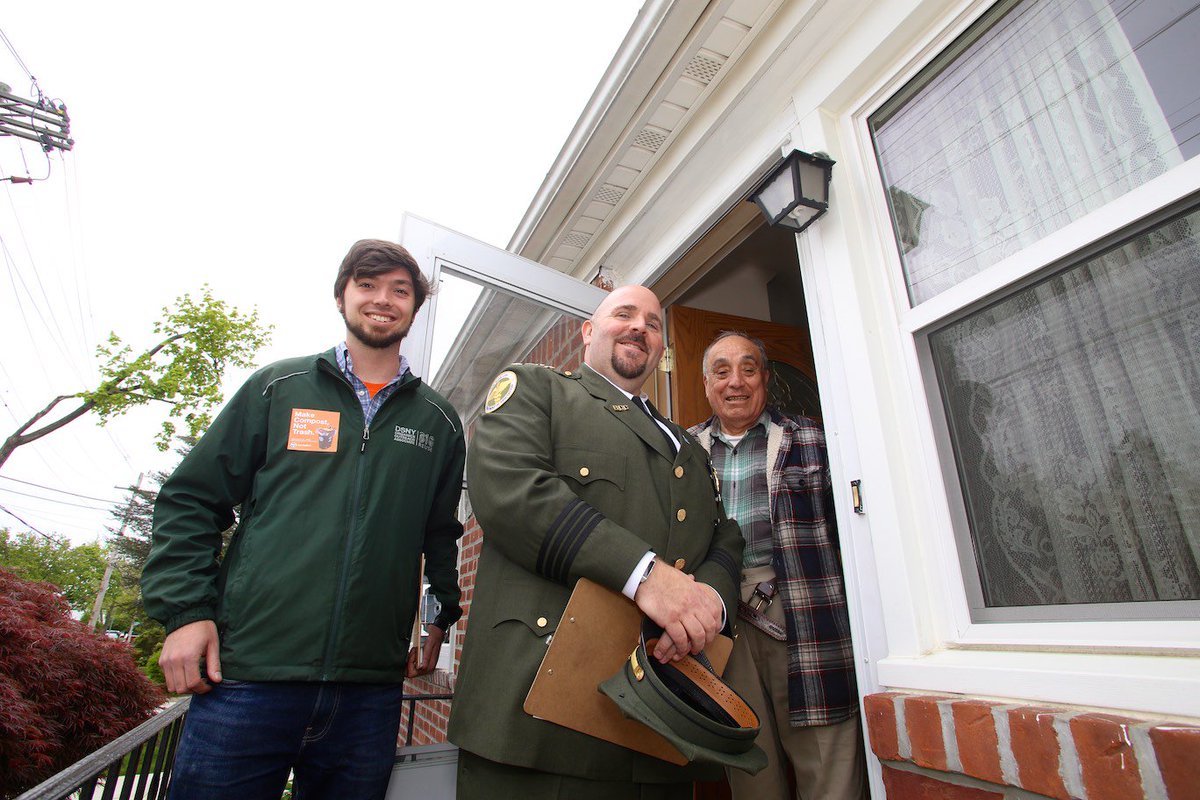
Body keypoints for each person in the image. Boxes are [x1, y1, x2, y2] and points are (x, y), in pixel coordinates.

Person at [141, 239, 467, 800]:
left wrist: (440, 619)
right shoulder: (278, 388)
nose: (382, 300)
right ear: (341, 296)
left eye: (400, 290)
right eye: (367, 285)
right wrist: (185, 614)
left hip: (368, 693)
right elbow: (192, 499)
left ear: (415, 307)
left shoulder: (438, 421)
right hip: (247, 679)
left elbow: (441, 535)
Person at [449, 284, 745, 800]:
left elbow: (726, 535)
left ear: (661, 348)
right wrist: (646, 576)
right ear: (588, 332)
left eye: (653, 323)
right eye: (624, 314)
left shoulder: (689, 446)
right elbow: (511, 490)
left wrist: (708, 607)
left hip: (657, 725)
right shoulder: (538, 390)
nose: (639, 327)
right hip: (539, 723)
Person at [688, 331, 867, 800]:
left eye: (748, 369)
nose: (735, 382)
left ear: (765, 379)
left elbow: (854, 537)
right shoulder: (683, 451)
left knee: (827, 761)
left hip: (804, 609)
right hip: (718, 621)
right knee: (749, 764)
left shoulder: (810, 438)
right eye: (721, 371)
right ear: (706, 384)